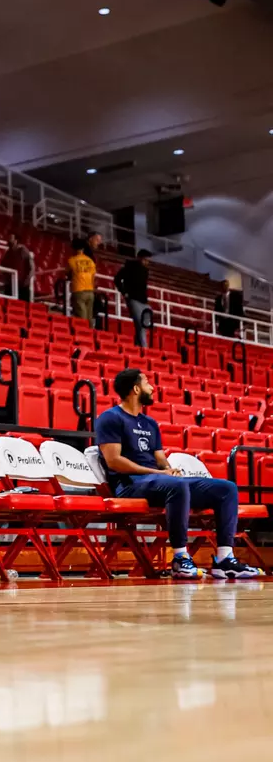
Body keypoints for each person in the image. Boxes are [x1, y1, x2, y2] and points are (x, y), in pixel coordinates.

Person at [96, 368, 259, 580]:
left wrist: (168, 469)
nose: (152, 388)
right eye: (147, 383)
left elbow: (160, 457)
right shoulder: (109, 418)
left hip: (156, 480)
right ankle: (180, 558)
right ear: (136, 389)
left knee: (226, 488)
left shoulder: (150, 423)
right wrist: (159, 472)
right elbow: (114, 460)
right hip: (129, 484)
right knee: (176, 486)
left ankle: (224, 559)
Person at [115, 249, 152, 348]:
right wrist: (125, 293)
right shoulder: (129, 267)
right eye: (145, 260)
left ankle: (138, 345)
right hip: (133, 298)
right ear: (139, 258)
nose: (147, 262)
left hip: (143, 300)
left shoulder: (145, 270)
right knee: (140, 324)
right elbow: (117, 279)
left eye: (148, 261)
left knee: (144, 325)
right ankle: (144, 347)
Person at [67, 237, 96, 322]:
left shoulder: (71, 260)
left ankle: (84, 334)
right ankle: (90, 333)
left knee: (82, 318)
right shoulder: (90, 261)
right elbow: (93, 276)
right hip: (90, 291)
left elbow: (67, 273)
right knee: (89, 317)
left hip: (78, 290)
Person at [2, 234, 35, 302]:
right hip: (10, 285)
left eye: (11, 238)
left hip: (22, 286)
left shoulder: (23, 250)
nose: (9, 240)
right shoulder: (7, 253)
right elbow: (3, 266)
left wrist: (27, 280)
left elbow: (32, 267)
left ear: (16, 240)